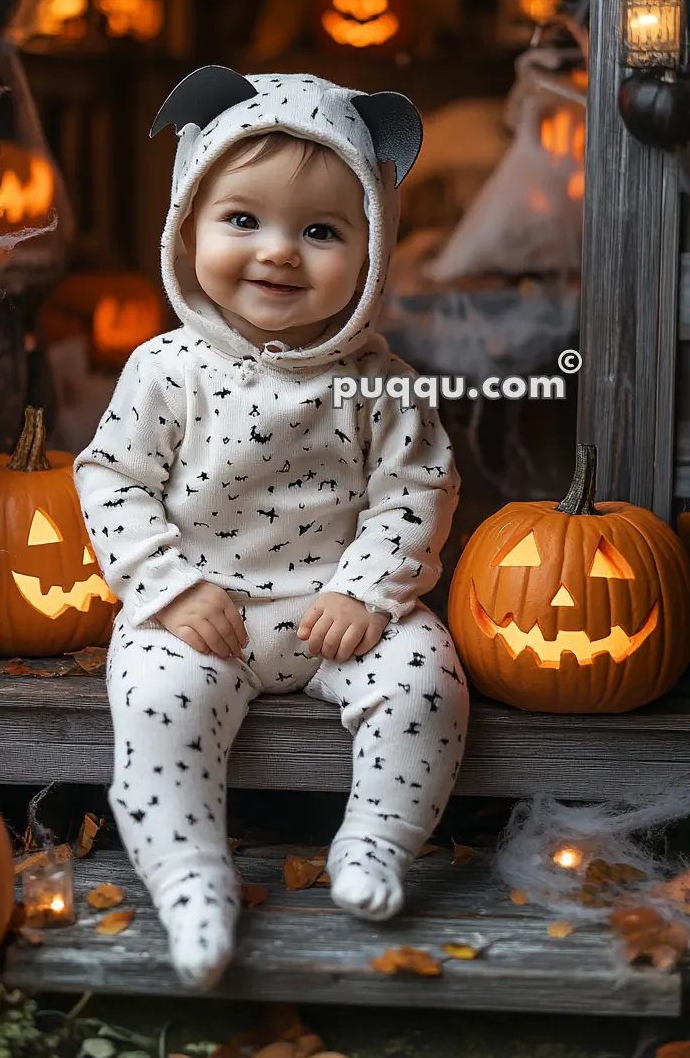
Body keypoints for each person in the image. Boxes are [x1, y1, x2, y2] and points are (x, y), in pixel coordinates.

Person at [75, 66, 468, 990]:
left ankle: (376, 841)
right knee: (155, 705)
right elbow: (112, 480)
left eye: (321, 231)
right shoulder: (166, 369)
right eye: (243, 220)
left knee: (427, 683)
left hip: (338, 613)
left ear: (371, 251)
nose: (280, 252)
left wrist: (368, 589)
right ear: (186, 225)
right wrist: (166, 588)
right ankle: (188, 878)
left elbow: (415, 491)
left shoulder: (384, 380)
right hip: (199, 609)